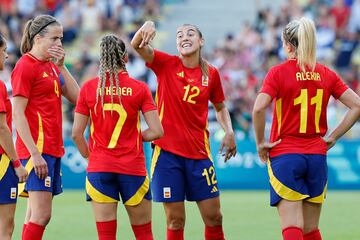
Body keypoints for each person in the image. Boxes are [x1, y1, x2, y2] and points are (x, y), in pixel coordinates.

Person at [252, 17, 360, 240]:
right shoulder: (326, 73)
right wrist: (333, 138)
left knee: (292, 227)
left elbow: (258, 109)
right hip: (317, 156)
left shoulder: (278, 72)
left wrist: (261, 143)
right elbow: (356, 105)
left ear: (289, 46)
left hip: (286, 154)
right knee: (311, 230)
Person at [131, 21, 237, 240]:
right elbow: (137, 46)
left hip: (199, 154)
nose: (184, 37)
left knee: (214, 217)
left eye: (190, 33)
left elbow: (221, 107)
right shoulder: (166, 63)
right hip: (167, 155)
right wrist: (148, 25)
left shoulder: (212, 74)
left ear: (201, 41)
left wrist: (229, 131)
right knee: (175, 220)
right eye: (179, 35)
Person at [72, 34, 163, 240]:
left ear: (102, 60)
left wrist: (91, 157)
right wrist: (132, 137)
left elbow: (77, 134)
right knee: (144, 234)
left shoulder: (88, 88)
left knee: (106, 236)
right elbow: (157, 131)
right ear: (125, 59)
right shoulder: (139, 88)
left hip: (100, 168)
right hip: (132, 168)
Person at [11, 15, 79, 240]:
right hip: (38, 150)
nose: (59, 44)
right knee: (42, 215)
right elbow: (17, 113)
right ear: (37, 38)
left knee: (33, 215)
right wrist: (34, 153)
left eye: (61, 39)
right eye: (54, 39)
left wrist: (62, 67)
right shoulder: (25, 66)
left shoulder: (51, 66)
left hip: (52, 147)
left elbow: (78, 99)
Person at [0, 33, 28, 240]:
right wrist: (17, 164)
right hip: (2, 162)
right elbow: (1, 129)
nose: (6, 56)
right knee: (5, 226)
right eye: (3, 51)